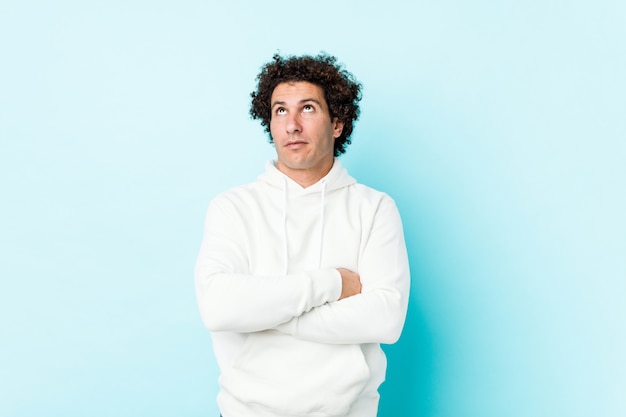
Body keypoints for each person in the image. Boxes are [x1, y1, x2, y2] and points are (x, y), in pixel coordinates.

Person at [194, 52, 410, 417]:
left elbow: (385, 319)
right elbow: (218, 308)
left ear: (337, 123)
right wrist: (332, 284)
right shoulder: (232, 207)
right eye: (280, 110)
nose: (292, 124)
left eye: (307, 108)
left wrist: (265, 312)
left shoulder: (374, 208)